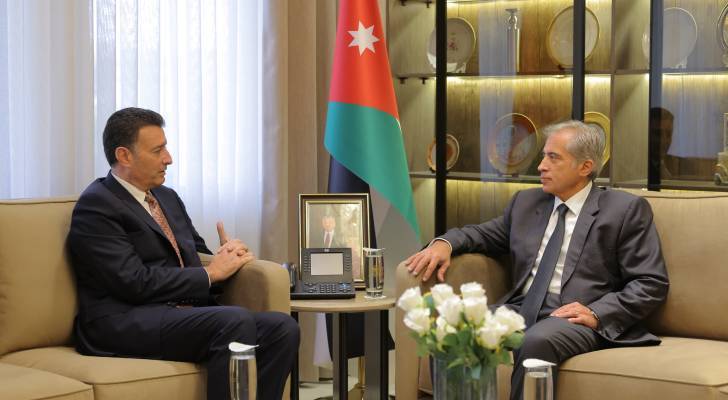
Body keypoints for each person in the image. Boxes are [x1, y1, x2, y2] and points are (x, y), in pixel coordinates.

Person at [405, 120, 669, 400]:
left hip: (574, 317)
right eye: (543, 156)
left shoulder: (624, 210)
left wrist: (597, 313)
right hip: (522, 308)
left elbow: (650, 282)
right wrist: (444, 243)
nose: (541, 166)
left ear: (585, 167)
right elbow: (481, 234)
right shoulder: (526, 203)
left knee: (535, 341)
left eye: (553, 158)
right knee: (451, 329)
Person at [67, 107, 299, 400]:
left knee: (282, 328)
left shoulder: (167, 197)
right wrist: (210, 273)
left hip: (178, 314)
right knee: (233, 321)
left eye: (166, 147)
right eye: (158, 150)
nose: (169, 158)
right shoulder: (97, 206)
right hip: (122, 321)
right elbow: (132, 281)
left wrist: (226, 258)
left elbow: (195, 256)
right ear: (124, 156)